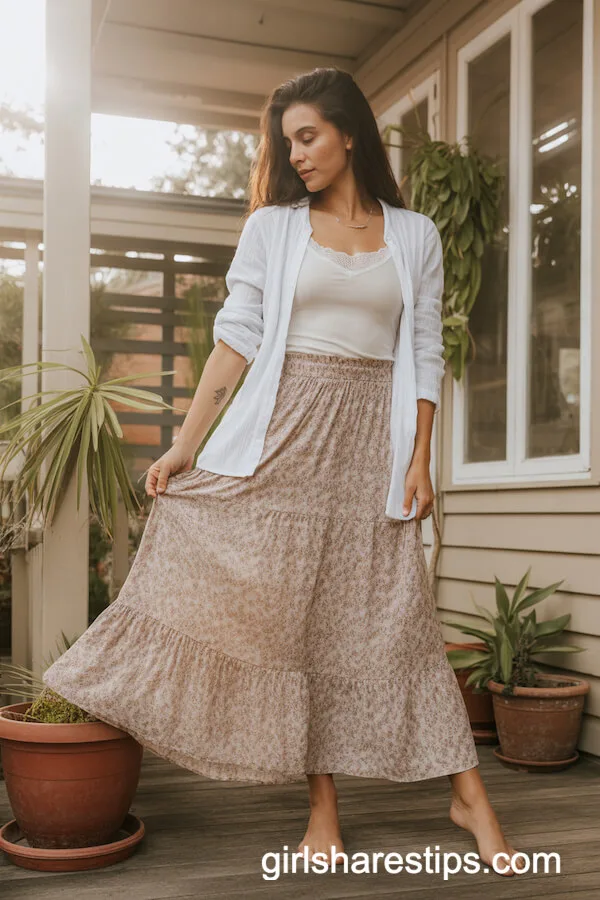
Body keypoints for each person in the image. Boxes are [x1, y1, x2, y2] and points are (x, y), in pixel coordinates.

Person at [43, 66, 524, 875]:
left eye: (307, 137)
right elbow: (238, 337)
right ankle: (322, 813)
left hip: (374, 445)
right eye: (287, 141)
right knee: (298, 622)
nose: (294, 153)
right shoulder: (274, 226)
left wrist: (420, 458)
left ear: (348, 133)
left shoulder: (414, 235)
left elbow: (424, 350)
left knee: (398, 619)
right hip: (286, 438)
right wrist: (186, 443)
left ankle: (468, 794)